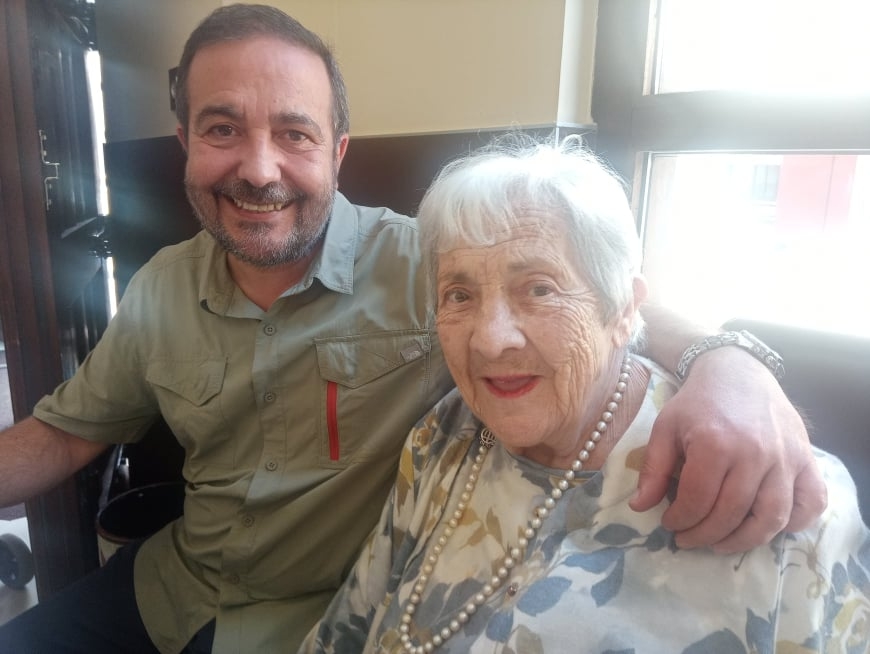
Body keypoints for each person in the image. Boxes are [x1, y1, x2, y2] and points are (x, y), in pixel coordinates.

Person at [0, 5, 825, 654]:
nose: (259, 168)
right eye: (222, 130)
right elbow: (64, 434)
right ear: (185, 142)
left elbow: (588, 297)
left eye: (294, 133)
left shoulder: (429, 268)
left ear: (336, 151)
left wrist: (730, 364)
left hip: (317, 617)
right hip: (172, 584)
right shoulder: (159, 286)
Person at [300, 138, 870, 653]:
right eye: (459, 295)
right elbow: (344, 632)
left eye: (539, 288)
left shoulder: (781, 497)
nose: (491, 339)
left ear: (623, 310)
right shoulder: (446, 434)